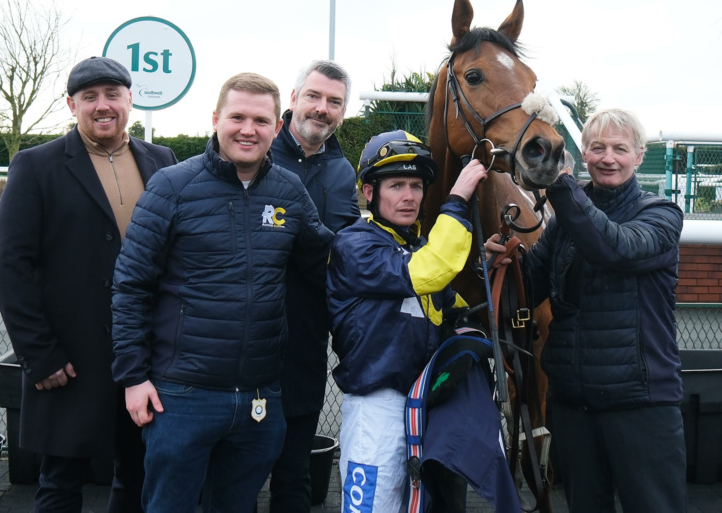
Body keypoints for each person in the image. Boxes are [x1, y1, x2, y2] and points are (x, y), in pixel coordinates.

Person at [110, 72, 334, 513]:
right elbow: (131, 285)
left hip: (258, 398)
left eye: (260, 120)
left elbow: (332, 262)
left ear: (277, 126)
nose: (248, 130)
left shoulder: (289, 191)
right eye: (237, 117)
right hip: (181, 397)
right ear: (216, 119)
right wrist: (134, 377)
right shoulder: (172, 186)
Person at [0, 56, 178, 512]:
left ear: (130, 100)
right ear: (71, 104)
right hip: (69, 359)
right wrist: (39, 354)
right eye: (90, 97)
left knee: (138, 477)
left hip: (148, 357)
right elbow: (11, 265)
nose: (102, 106)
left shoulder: (163, 161)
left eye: (112, 95)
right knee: (60, 484)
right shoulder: (36, 166)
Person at [488, 108, 686, 512]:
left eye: (619, 148)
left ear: (638, 155)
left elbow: (613, 248)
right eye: (597, 148)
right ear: (584, 153)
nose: (607, 157)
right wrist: (499, 261)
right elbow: (529, 286)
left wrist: (560, 185)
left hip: (640, 404)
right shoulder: (563, 224)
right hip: (574, 403)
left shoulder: (662, 215)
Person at [327, 130, 490, 512]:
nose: (409, 196)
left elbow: (456, 306)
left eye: (416, 186)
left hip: (425, 404)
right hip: (376, 407)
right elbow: (427, 273)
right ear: (369, 193)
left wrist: (488, 268)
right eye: (396, 184)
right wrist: (456, 201)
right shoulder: (354, 243)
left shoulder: (416, 245)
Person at [265, 60, 360, 511]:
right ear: (294, 98)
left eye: (334, 102)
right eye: (314, 97)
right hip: (240, 343)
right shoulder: (256, 150)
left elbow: (345, 252)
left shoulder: (343, 173)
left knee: (294, 474)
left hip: (305, 342)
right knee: (235, 476)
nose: (322, 109)